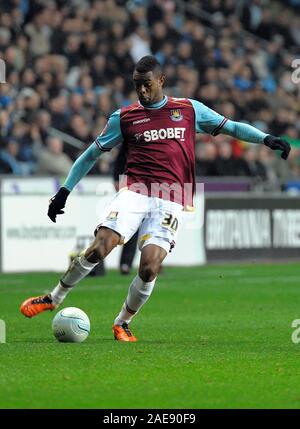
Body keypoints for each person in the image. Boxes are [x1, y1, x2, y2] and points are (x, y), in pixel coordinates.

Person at [20, 55, 291, 342]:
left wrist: (266, 139)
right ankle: (54, 297)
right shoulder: (124, 117)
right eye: (137, 85)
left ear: (161, 81)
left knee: (150, 266)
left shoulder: (188, 110)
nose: (142, 91)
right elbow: (91, 154)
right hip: (134, 192)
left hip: (171, 197)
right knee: (100, 248)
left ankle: (122, 322)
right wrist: (64, 191)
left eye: (147, 84)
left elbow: (233, 127)